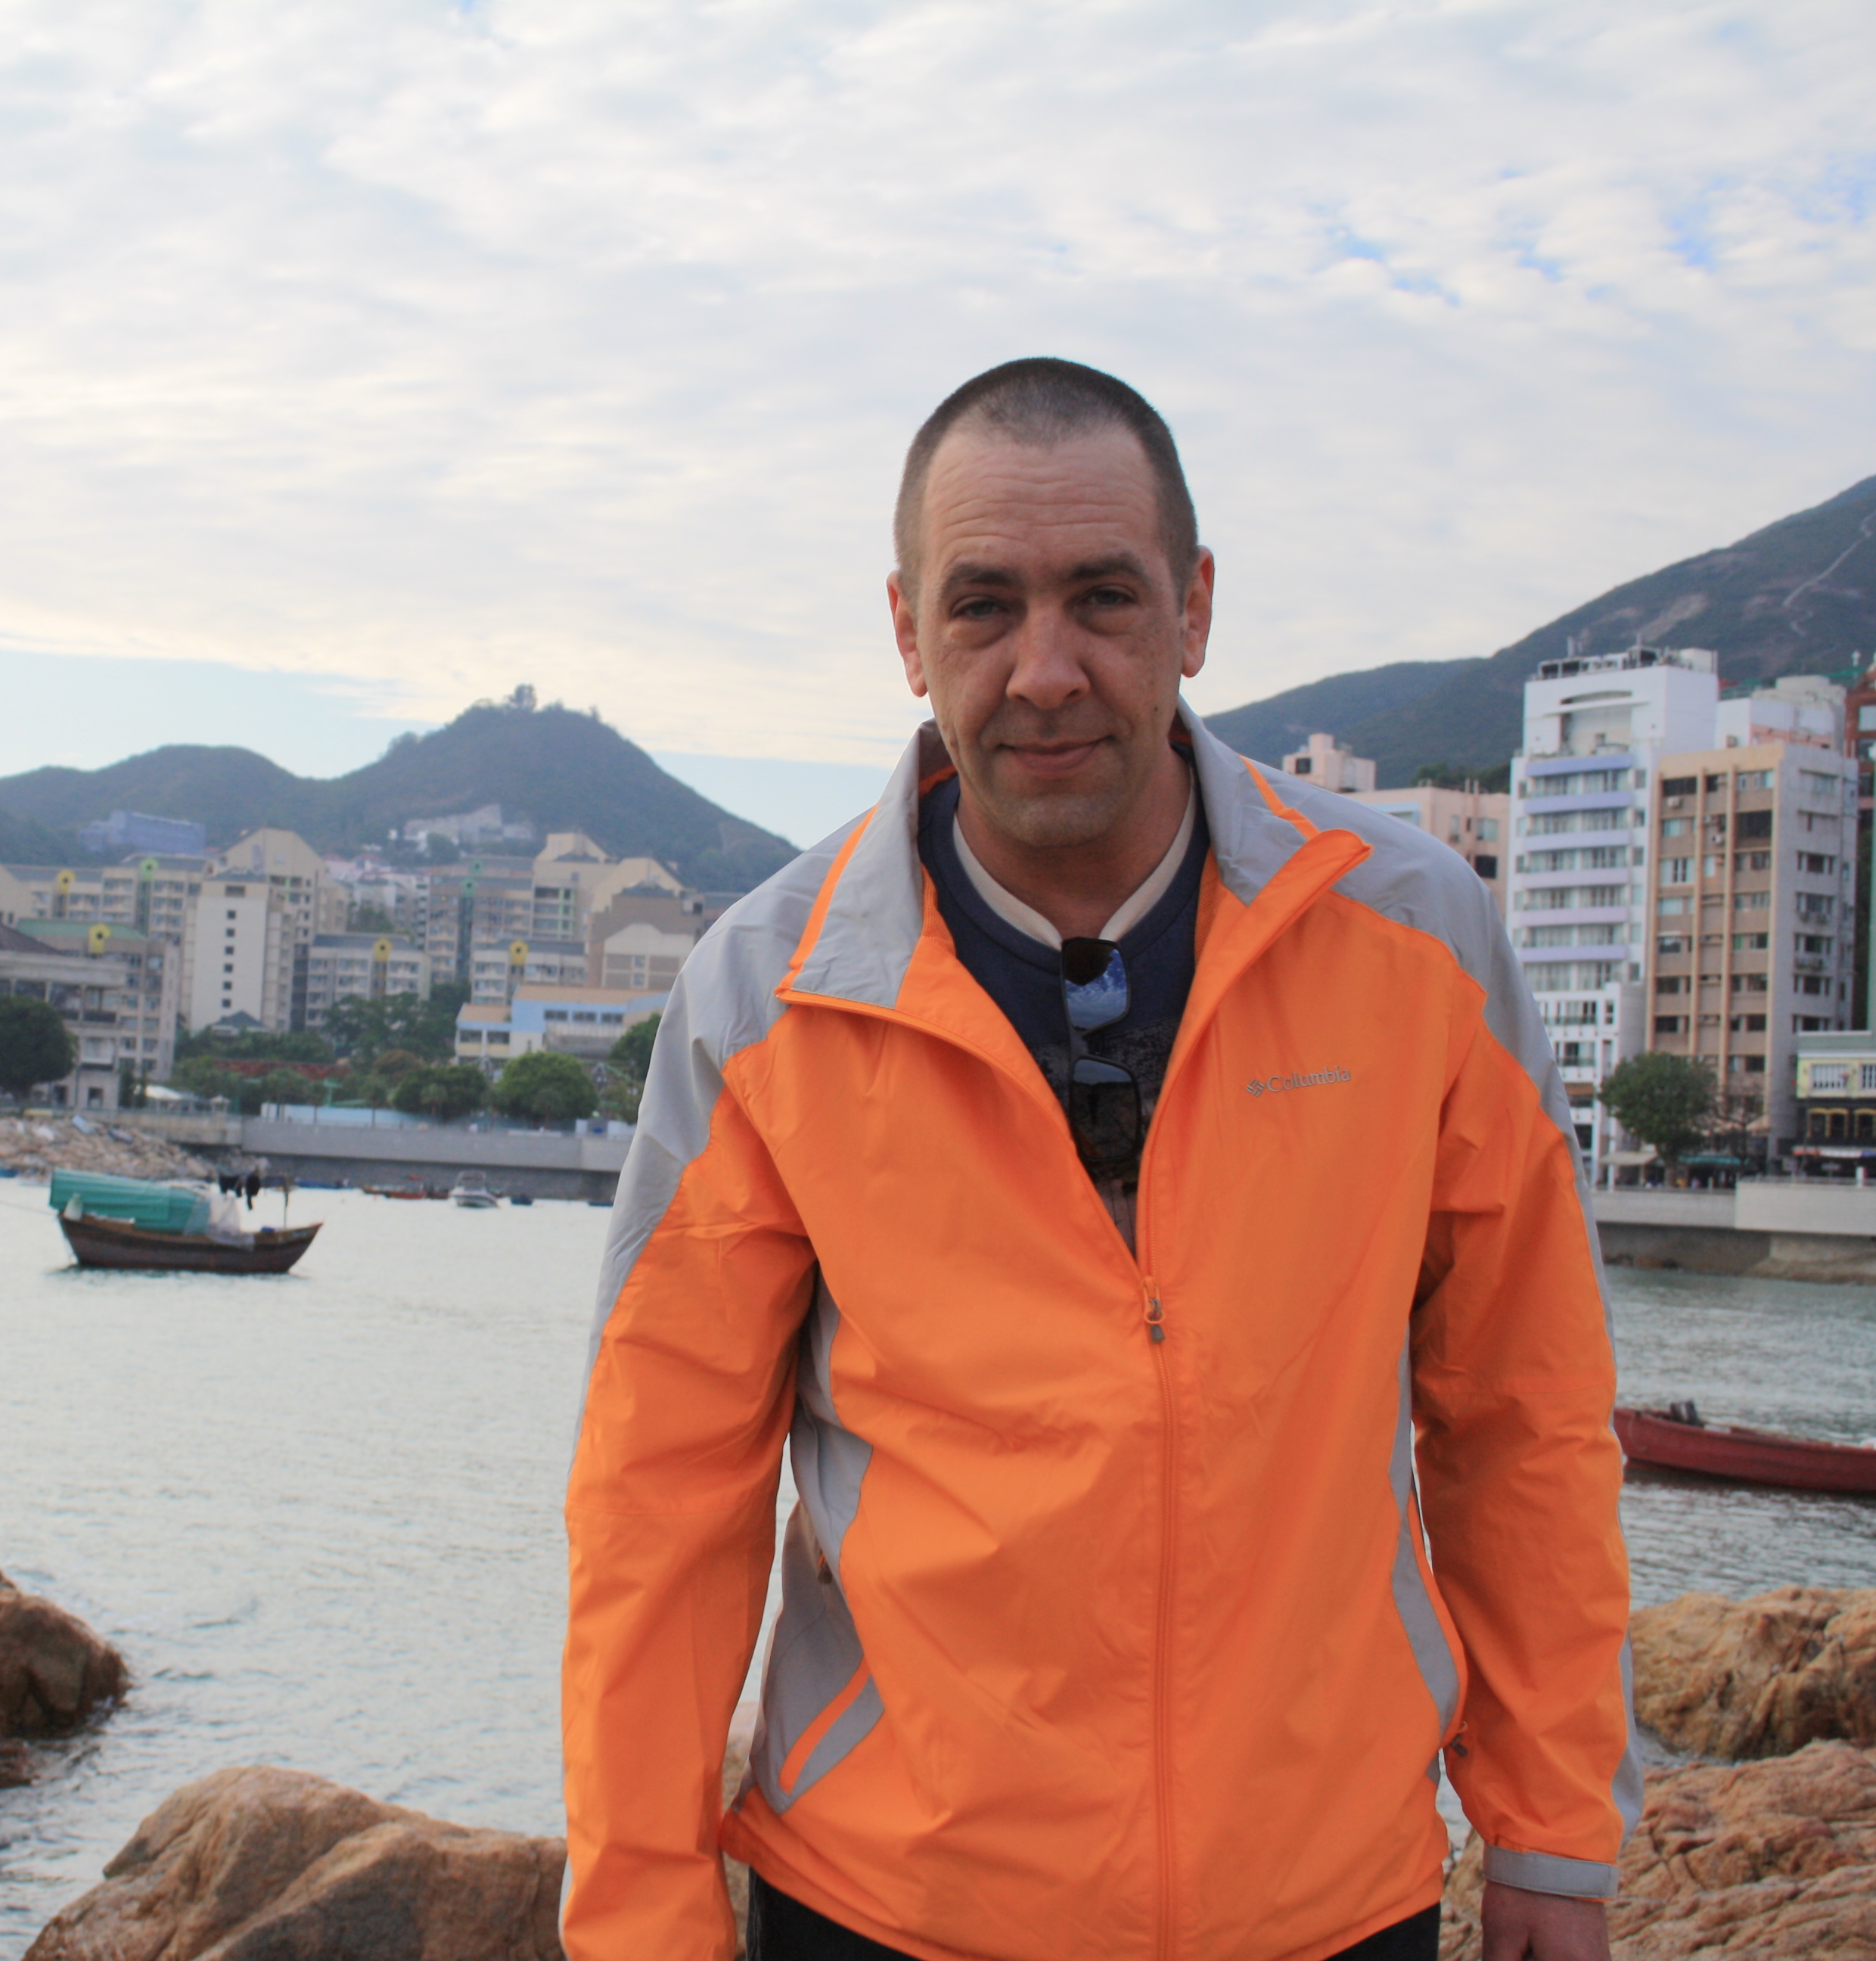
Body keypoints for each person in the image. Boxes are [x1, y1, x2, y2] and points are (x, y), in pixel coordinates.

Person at [561, 359, 1633, 1961]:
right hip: (891, 1909)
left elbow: (1524, 1412)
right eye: (984, 606)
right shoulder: (766, 996)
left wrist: (1551, 1836)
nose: (1045, 670)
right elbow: (659, 1501)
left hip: (1330, 1904)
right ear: (908, 631)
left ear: (1193, 611)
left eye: (1104, 599)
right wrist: (642, 1918)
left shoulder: (1418, 940)